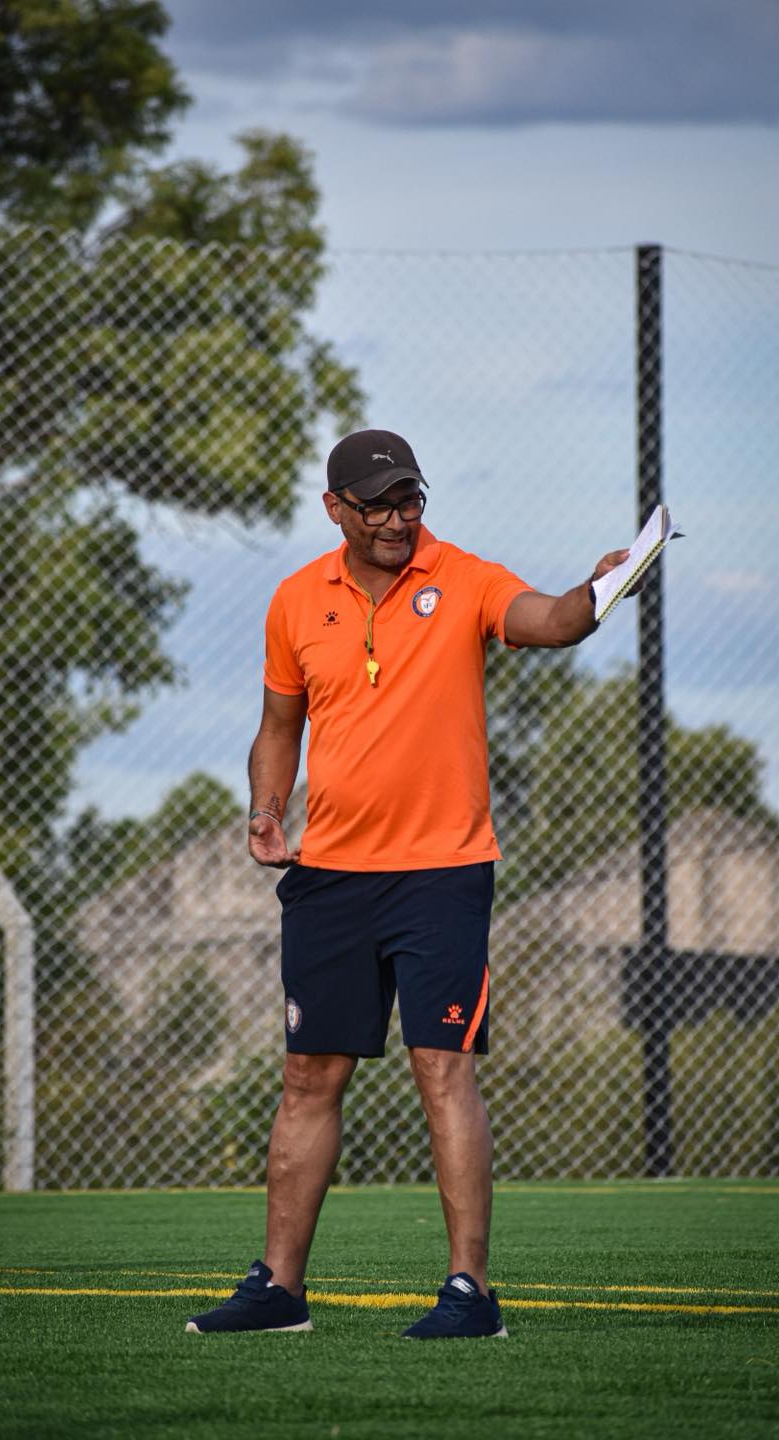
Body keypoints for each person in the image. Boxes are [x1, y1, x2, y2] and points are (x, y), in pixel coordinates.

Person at [187, 428, 634, 1340]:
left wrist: (600, 591)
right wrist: (267, 809)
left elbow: (549, 621)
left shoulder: (463, 578)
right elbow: (279, 723)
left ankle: (469, 1292)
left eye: (412, 501)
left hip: (443, 874)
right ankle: (279, 1291)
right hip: (331, 878)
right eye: (380, 504)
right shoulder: (293, 601)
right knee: (309, 1076)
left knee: (445, 1069)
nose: (399, 519)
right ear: (336, 510)